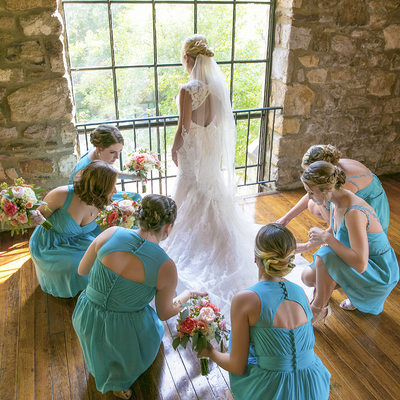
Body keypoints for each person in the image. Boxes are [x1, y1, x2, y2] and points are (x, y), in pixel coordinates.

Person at [72, 194, 206, 399]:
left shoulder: (111, 233)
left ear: (139, 216)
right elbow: (164, 313)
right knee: (154, 329)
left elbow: (82, 270)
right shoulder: (166, 266)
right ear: (168, 227)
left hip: (85, 316)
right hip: (123, 332)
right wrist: (187, 295)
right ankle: (119, 381)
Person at [163, 34, 259, 316]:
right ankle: (217, 238)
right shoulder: (217, 89)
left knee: (187, 190)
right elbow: (216, 125)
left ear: (189, 59)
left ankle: (189, 240)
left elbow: (183, 128)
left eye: (184, 59)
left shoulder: (187, 90)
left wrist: (174, 149)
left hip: (192, 150)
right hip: (208, 152)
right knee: (208, 192)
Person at [198, 223, 331, 400]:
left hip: (274, 391)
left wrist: (210, 352)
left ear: (255, 257)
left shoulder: (245, 299)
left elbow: (237, 366)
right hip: (313, 385)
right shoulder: (300, 292)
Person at [300, 161, 398, 321]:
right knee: (307, 277)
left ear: (327, 189)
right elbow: (336, 233)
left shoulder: (354, 213)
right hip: (362, 264)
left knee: (325, 257)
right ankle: (338, 293)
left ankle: (318, 308)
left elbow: (360, 264)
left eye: (311, 192)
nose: (309, 197)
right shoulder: (335, 200)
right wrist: (304, 246)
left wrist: (327, 238)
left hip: (379, 273)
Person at [29, 161, 118, 298]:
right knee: (77, 265)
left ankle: (96, 290)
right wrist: (34, 217)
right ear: (99, 186)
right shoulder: (61, 195)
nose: (115, 191)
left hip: (79, 239)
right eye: (112, 186)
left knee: (105, 255)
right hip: (51, 242)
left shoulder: (102, 200)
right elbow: (40, 221)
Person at [277, 144, 390, 233]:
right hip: (355, 205)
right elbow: (310, 193)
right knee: (313, 203)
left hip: (374, 212)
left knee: (322, 203)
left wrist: (329, 236)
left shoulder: (345, 182)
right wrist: (287, 218)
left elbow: (336, 212)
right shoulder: (332, 169)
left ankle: (348, 236)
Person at [69, 124, 141, 203]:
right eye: (112, 152)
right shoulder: (84, 169)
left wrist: (133, 176)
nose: (117, 157)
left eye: (120, 151)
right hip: (90, 200)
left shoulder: (97, 152)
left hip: (101, 194)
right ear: (99, 148)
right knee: (134, 201)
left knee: (136, 197)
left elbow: (108, 172)